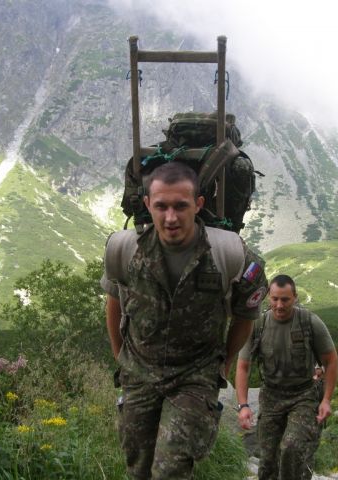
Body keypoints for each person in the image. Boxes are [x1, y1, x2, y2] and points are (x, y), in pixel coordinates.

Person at [101, 161, 267, 479]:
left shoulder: (229, 253)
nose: (171, 217)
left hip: (195, 375)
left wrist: (223, 366)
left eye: (181, 206)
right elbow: (114, 302)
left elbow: (245, 315)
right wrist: (120, 356)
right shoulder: (123, 249)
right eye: (161, 206)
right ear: (148, 204)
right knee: (138, 467)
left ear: (198, 204)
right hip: (139, 372)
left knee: (171, 466)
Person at [235, 274, 338, 480]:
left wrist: (326, 400)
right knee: (267, 459)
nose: (279, 305)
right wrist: (243, 405)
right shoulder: (259, 325)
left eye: (285, 299)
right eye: (275, 299)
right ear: (268, 297)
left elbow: (331, 361)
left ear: (295, 298)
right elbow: (243, 366)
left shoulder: (309, 322)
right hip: (271, 397)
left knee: (292, 448)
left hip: (303, 396)